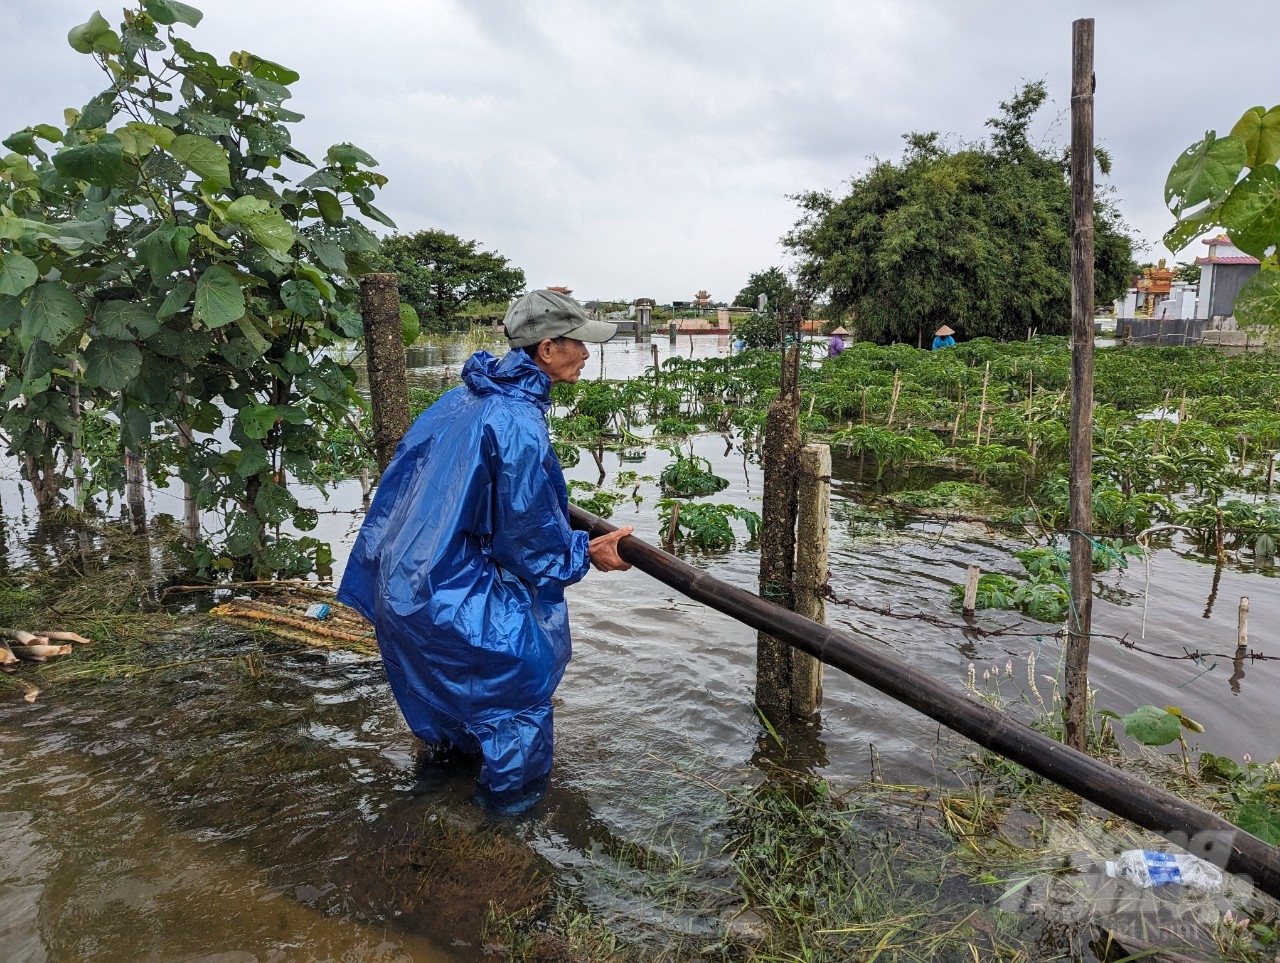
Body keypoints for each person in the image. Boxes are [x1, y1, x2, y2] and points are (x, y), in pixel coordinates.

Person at [338, 289, 634, 808]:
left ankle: (434, 802)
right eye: (580, 344)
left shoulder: (463, 398)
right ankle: (508, 832)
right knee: (517, 700)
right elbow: (529, 541)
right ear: (546, 349)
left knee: (446, 714)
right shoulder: (518, 423)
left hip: (401, 587)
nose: (587, 354)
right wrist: (586, 553)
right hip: (446, 596)